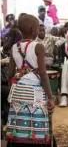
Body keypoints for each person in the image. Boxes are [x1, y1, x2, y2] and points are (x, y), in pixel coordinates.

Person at [5, 14, 55, 147]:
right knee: (37, 127)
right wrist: (50, 97)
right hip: (35, 93)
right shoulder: (38, 46)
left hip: (18, 91)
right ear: (33, 29)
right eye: (39, 27)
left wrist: (13, 91)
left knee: (19, 126)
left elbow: (10, 73)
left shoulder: (14, 47)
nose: (39, 30)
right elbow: (43, 75)